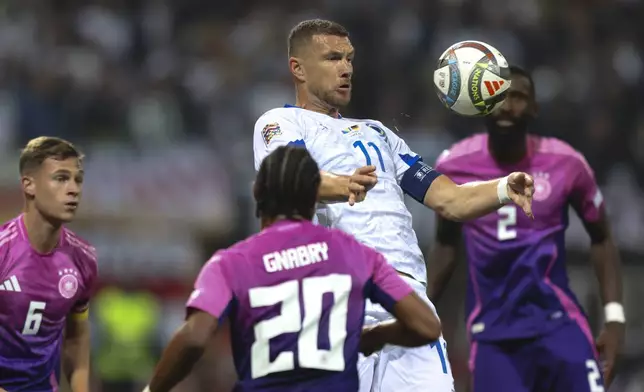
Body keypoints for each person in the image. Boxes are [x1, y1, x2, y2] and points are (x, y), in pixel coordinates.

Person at [252, 19, 535, 392]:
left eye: (349, 58)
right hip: (332, 302)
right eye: (333, 58)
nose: (346, 68)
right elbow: (286, 184)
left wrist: (502, 188)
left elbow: (451, 199)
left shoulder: (379, 133)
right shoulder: (281, 122)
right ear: (298, 68)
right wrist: (341, 185)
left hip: (406, 304)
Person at [143, 145, 443, 392]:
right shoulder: (354, 253)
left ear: (258, 192)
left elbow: (195, 338)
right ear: (315, 197)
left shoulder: (230, 263)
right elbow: (426, 326)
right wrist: (375, 335)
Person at [429, 65, 624, 392]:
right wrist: (416, 309)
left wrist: (615, 319)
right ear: (483, 103)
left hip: (559, 325)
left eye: (517, 96)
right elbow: (445, 247)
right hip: (493, 335)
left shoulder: (566, 162)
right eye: (498, 96)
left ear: (534, 108)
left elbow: (602, 239)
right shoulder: (453, 166)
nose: (507, 105)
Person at [0, 137, 98, 392]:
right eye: (61, 178)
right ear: (29, 185)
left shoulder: (83, 258)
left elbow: (77, 338)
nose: (74, 189)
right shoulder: (3, 251)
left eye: (78, 180)